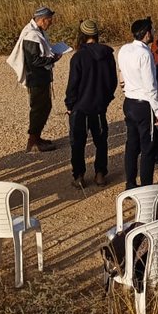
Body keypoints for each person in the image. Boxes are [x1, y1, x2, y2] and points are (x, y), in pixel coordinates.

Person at [65, 19, 117, 188]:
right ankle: (100, 173)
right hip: (99, 107)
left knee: (77, 143)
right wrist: (106, 100)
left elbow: (73, 84)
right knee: (101, 141)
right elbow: (112, 82)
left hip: (80, 108)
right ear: (96, 35)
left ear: (82, 35)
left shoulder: (78, 57)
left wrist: (70, 104)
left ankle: (79, 176)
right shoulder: (108, 55)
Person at [7, 6, 65, 153]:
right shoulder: (31, 35)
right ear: (42, 20)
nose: (51, 22)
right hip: (36, 78)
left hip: (40, 77)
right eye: (49, 19)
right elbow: (34, 60)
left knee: (45, 107)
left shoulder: (37, 32)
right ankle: (33, 141)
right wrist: (54, 59)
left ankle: (37, 138)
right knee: (39, 108)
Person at [118, 17, 158, 189]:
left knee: (131, 144)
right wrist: (157, 112)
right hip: (144, 104)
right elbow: (150, 85)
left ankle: (130, 182)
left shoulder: (124, 49)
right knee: (148, 147)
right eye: (151, 30)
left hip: (129, 101)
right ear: (146, 33)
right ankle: (146, 186)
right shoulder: (145, 54)